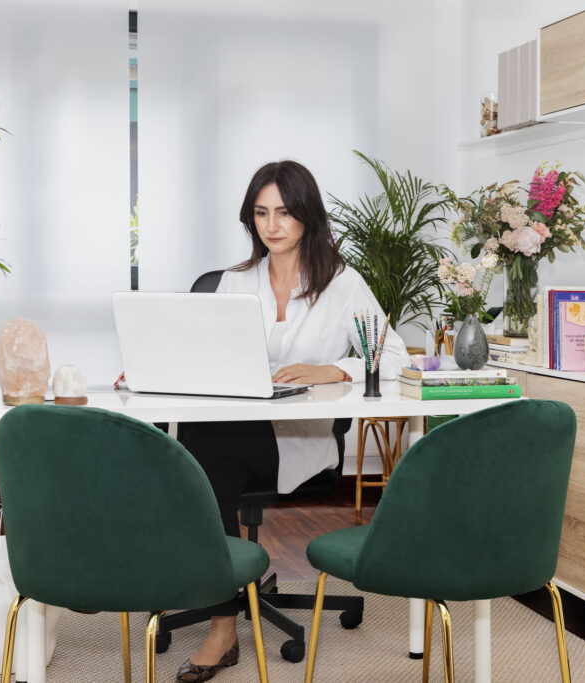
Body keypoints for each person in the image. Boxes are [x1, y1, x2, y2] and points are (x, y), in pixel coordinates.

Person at [174, 160, 410, 682]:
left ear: (307, 215)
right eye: (261, 213)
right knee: (203, 441)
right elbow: (195, 356)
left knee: (203, 450)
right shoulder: (233, 284)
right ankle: (219, 605)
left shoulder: (342, 283)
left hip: (299, 441)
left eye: (284, 212)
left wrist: (334, 368)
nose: (272, 225)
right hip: (231, 436)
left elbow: (393, 355)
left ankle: (220, 623)